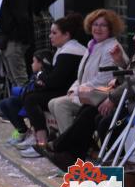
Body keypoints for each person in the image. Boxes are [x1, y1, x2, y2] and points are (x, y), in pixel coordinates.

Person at [46, 29, 135, 170]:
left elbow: (134, 82)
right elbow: (128, 78)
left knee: (102, 119)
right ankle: (70, 155)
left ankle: (64, 149)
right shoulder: (94, 46)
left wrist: (112, 98)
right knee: (89, 111)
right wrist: (120, 63)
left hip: (129, 105)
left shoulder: (110, 46)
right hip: (126, 100)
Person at [15, 14, 86, 158]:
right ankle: (39, 137)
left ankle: (42, 141)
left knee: (31, 98)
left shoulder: (70, 52)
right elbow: (53, 77)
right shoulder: (65, 49)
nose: (50, 36)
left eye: (54, 33)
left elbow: (55, 80)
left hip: (71, 92)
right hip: (67, 89)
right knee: (29, 95)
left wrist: (41, 76)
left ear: (66, 35)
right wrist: (44, 79)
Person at [48, 9, 126, 134]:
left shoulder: (111, 47)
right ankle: (67, 142)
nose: (98, 28)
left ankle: (69, 148)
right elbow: (82, 74)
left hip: (102, 95)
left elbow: (104, 79)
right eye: (95, 24)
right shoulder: (92, 44)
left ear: (110, 28)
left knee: (60, 105)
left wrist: (78, 91)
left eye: (103, 25)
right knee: (52, 103)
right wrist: (74, 89)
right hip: (88, 93)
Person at [0, 49, 54, 147]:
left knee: (16, 102)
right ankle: (21, 130)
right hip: (28, 97)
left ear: (41, 64)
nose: (31, 64)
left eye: (34, 62)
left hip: (36, 100)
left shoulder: (44, 75)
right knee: (5, 103)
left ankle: (35, 136)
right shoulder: (35, 74)